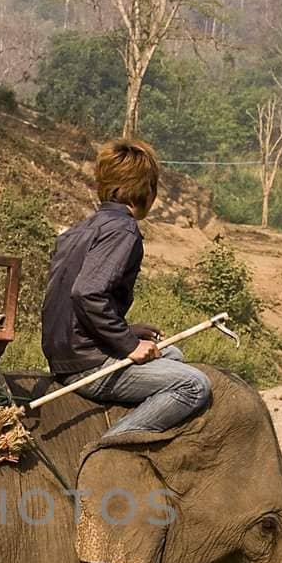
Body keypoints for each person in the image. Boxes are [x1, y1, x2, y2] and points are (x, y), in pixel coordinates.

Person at [41, 138, 212, 438]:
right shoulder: (123, 229)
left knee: (172, 355)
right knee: (194, 384)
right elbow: (87, 293)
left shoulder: (81, 229)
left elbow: (76, 302)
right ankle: (111, 445)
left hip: (65, 354)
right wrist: (128, 345)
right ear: (147, 191)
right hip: (86, 364)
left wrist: (128, 331)